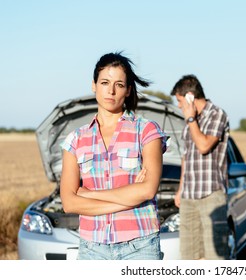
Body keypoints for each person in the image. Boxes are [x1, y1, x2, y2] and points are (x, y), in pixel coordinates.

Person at [60, 52, 167, 260]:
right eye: (104, 82)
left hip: (140, 246)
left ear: (128, 90)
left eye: (119, 84)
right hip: (92, 248)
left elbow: (148, 189)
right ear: (94, 85)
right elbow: (69, 203)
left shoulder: (146, 131)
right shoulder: (75, 140)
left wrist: (88, 194)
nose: (111, 90)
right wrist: (129, 199)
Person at [170, 74, 230, 260]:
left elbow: (204, 146)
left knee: (215, 256)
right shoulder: (190, 122)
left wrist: (191, 120)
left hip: (211, 195)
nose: (179, 106)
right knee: (189, 256)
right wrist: (180, 189)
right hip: (189, 197)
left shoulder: (217, 114)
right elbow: (185, 158)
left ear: (190, 96)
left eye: (180, 101)